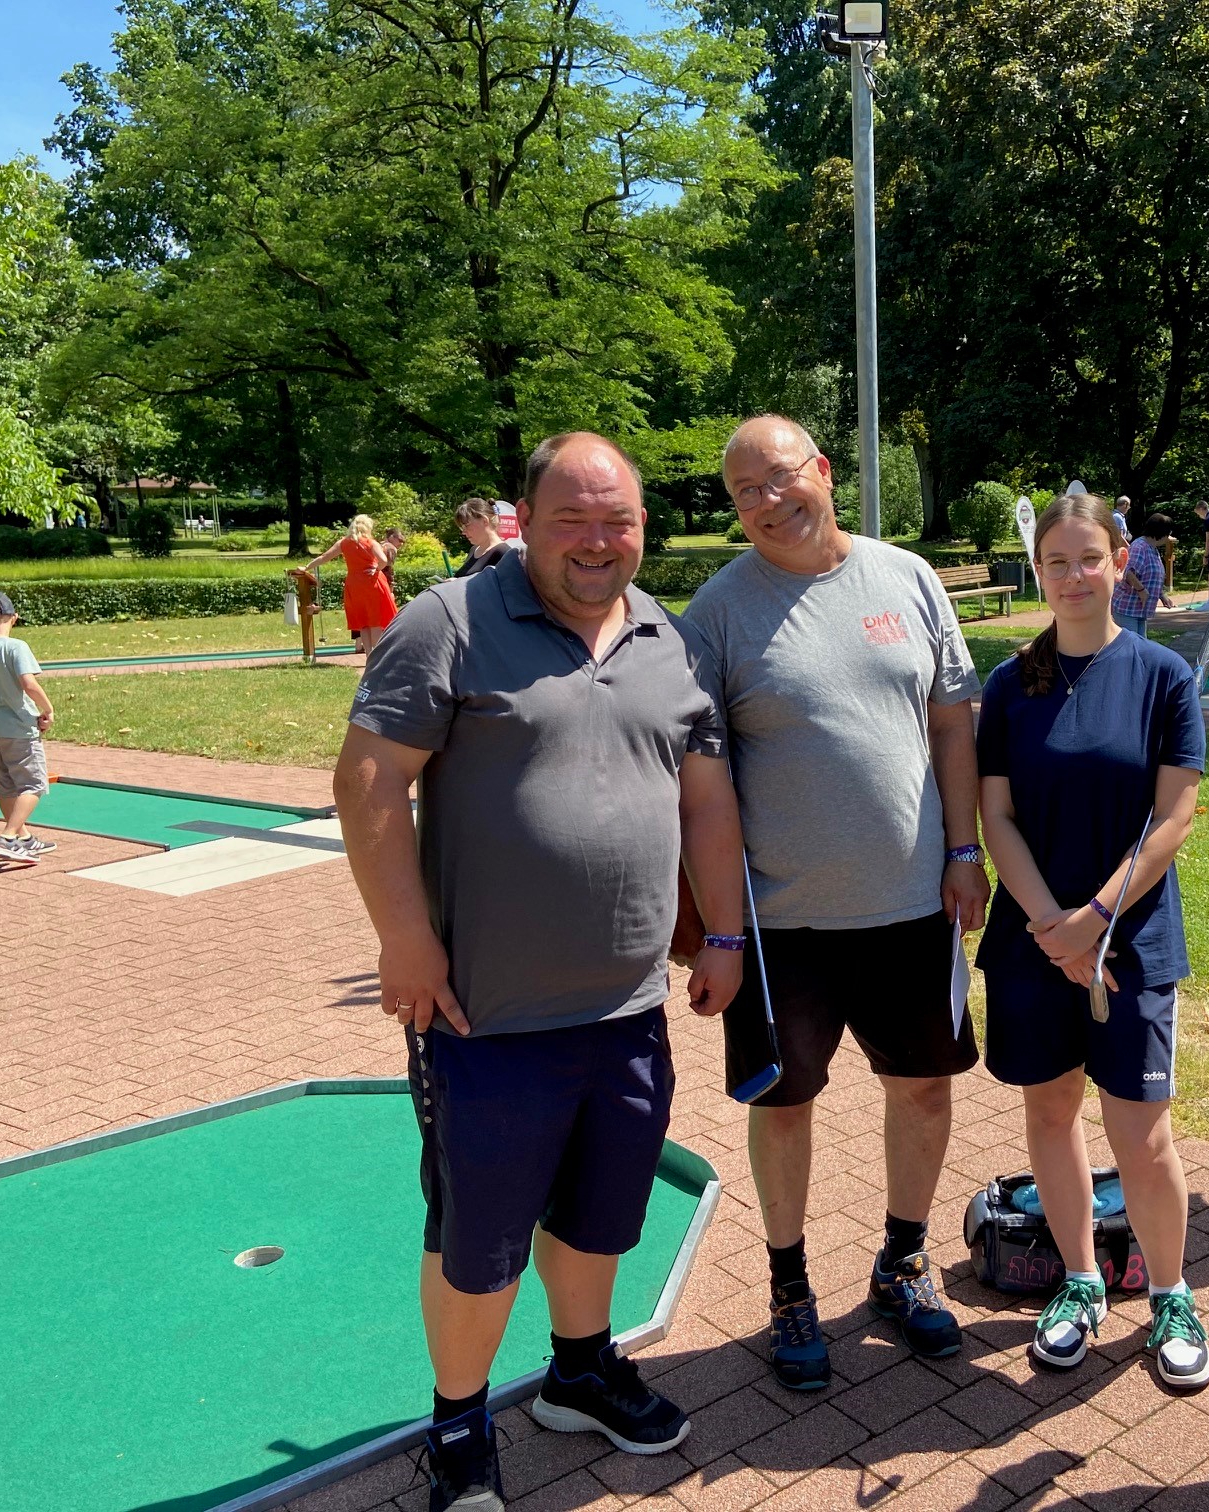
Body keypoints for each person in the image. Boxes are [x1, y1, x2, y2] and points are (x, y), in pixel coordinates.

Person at [334, 432, 748, 1507]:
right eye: (573, 520)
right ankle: (460, 1426)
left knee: (602, 1213)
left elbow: (705, 803)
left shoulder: (672, 637)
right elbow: (369, 782)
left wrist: (727, 934)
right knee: (477, 1238)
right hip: (483, 1015)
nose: (599, 541)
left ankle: (579, 1372)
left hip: (624, 1010)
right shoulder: (450, 623)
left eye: (619, 521)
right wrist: (405, 939)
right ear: (526, 521)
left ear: (643, 527)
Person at [685, 414, 989, 1393]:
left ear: (822, 470)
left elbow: (951, 722)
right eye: (746, 493)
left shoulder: (907, 577)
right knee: (783, 1107)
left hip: (911, 904)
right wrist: (721, 929)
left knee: (927, 1089)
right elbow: (703, 788)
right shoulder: (719, 614)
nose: (768, 503)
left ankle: (903, 1263)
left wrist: (964, 848)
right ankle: (788, 1287)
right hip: (782, 930)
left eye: (780, 478)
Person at [976, 493, 1209, 1388]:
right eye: (1055, 563)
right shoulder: (1011, 684)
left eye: (1089, 559)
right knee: (1049, 1114)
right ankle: (1080, 1280)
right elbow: (994, 813)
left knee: (1142, 1136)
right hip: (1035, 943)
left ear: (1122, 565)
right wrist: (1051, 926)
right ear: (1038, 572)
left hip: (1134, 943)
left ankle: (1171, 1293)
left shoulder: (1162, 677)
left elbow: (1174, 816)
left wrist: (1094, 921)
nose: (1073, 577)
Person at [0, 591, 57, 864]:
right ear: (13, 618)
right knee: (34, 785)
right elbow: (28, 683)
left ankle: (24, 839)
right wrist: (48, 709)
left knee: (5, 786)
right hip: (18, 727)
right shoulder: (16, 647)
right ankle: (6, 838)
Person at [308, 514, 400, 653]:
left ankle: (369, 655)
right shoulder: (371, 542)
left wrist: (306, 567)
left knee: (363, 623)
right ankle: (379, 656)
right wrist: (376, 569)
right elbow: (383, 560)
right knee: (376, 621)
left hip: (354, 584)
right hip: (373, 582)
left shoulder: (343, 543)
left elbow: (324, 557)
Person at [1111, 517, 1168, 637]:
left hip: (1139, 610)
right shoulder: (1139, 547)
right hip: (1127, 607)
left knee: (1140, 646)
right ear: (1161, 532)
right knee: (1129, 646)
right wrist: (1141, 590)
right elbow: (1127, 571)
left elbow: (1152, 576)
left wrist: (1162, 595)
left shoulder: (1152, 549)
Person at [453, 497, 509, 578]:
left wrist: (458, 583)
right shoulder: (474, 550)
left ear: (484, 521)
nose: (463, 532)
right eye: (462, 528)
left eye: (467, 526)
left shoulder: (504, 553)